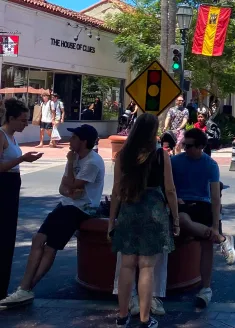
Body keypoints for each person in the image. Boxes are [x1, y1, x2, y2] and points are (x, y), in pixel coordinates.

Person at [0, 124, 104, 309]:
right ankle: (24, 288)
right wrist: (70, 185)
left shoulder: (92, 162)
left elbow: (71, 184)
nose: (69, 140)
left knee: (50, 248)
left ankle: (26, 288)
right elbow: (64, 188)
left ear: (84, 141)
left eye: (73, 138)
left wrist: (70, 178)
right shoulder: (74, 158)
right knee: (38, 239)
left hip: (81, 209)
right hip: (66, 205)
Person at [110, 113, 178, 328]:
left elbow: (116, 191)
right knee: (147, 267)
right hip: (154, 211)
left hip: (129, 210)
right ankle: (144, 319)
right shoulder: (161, 156)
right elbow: (170, 189)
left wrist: (112, 220)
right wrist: (175, 219)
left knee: (127, 265)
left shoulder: (123, 155)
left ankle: (122, 316)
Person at [171, 128, 235, 309]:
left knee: (206, 246)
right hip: (182, 205)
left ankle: (205, 288)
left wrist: (215, 225)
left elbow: (215, 197)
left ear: (201, 147)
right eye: (184, 145)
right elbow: (165, 184)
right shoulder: (174, 162)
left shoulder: (210, 165)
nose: (185, 149)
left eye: (190, 146)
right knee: (182, 220)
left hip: (203, 205)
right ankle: (222, 239)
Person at [0, 99, 43, 299]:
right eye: (22, 120)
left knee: (8, 238)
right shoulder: (1, 136)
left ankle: (2, 288)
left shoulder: (13, 138)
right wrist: (22, 159)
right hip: (3, 187)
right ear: (11, 118)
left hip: (11, 186)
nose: (25, 124)